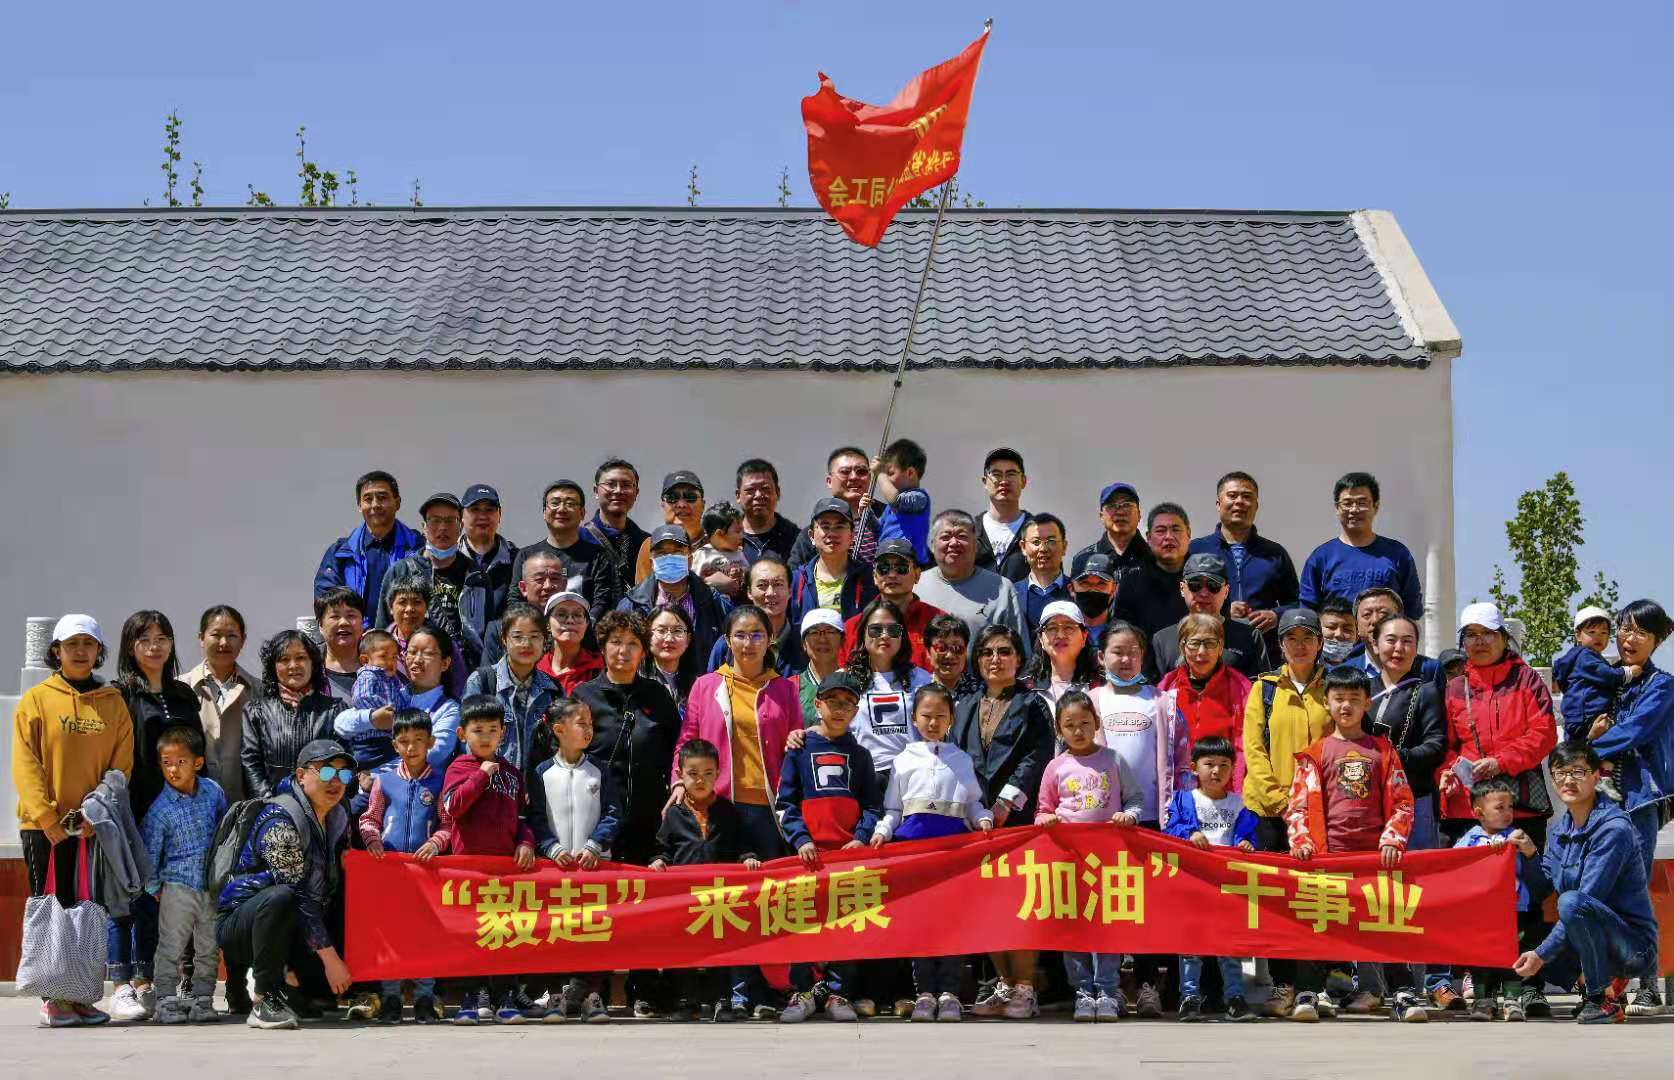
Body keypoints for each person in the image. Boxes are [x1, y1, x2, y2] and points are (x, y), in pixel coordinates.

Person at [13, 614, 131, 1029]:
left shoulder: (112, 702)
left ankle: (79, 995)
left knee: (86, 911)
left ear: (99, 651)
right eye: (71, 644)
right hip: (45, 828)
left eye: (88, 644)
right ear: (57, 651)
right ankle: (53, 998)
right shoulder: (37, 700)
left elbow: (121, 766)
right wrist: (48, 818)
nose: (80, 651)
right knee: (54, 909)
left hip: (91, 826)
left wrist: (99, 812)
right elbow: (26, 764)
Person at [1286, 667, 1414, 1022]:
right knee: (1318, 923)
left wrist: (1393, 838)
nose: (1346, 706)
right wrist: (1302, 841)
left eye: (1354, 699)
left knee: (1385, 924)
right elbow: (1297, 806)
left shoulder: (1383, 751)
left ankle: (1402, 992)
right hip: (1328, 857)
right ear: (1326, 703)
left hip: (1375, 859)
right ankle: (1308, 992)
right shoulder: (1314, 754)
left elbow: (1403, 801)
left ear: (1367, 703)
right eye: (1339, 699)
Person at [1512, 742, 1661, 1025]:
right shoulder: (1559, 831)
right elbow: (1543, 887)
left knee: (1570, 903)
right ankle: (1601, 988)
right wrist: (1531, 855)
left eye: (1578, 772)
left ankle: (1600, 999)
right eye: (1560, 773)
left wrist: (1541, 955)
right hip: (1591, 935)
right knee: (1523, 934)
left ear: (1595, 777)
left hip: (1633, 949)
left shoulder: (1614, 828)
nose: (1568, 780)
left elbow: (1587, 898)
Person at [872, 683, 993, 1022]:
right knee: (921, 923)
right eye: (926, 716)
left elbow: (972, 802)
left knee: (953, 922)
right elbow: (893, 808)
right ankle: (924, 992)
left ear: (951, 719)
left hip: (953, 854)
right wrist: (882, 831)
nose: (933, 722)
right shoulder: (903, 760)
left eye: (941, 716)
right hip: (914, 854)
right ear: (913, 718)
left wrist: (982, 819)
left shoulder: (961, 760)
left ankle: (950, 992)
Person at [216, 738, 356, 1031]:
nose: (336, 781)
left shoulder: (337, 816)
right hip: (243, 926)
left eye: (343, 774)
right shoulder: (279, 819)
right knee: (283, 895)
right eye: (326, 771)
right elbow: (298, 894)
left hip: (295, 925)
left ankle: (289, 987)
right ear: (301, 775)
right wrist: (331, 959)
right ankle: (263, 998)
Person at [956, 624, 1054, 1021]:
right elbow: (958, 758)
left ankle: (1026, 988)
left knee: (1021, 904)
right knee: (987, 907)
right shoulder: (965, 704)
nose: (994, 660)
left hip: (1018, 821)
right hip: (976, 822)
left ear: (1019, 658)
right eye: (986, 653)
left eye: (1004, 651)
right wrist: (972, 807)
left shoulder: (1033, 704)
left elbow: (1038, 756)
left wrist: (1006, 801)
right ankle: (1003, 983)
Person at [776, 671, 883, 1023]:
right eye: (832, 702)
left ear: (856, 711)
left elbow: (872, 805)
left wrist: (861, 837)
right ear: (817, 704)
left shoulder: (861, 755)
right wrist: (801, 838)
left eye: (847, 704)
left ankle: (839, 992)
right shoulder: (799, 748)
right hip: (808, 855)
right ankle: (803, 992)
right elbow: (785, 802)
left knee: (845, 924)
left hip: (846, 855)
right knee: (805, 921)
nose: (839, 710)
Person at [423, 697, 537, 1025]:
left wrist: (526, 841)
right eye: (478, 730)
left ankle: (505, 998)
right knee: (471, 933)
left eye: (492, 729)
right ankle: (470, 998)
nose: (485, 736)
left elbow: (522, 817)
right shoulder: (459, 768)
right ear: (462, 733)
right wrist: (481, 776)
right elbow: (452, 808)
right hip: (468, 867)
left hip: (505, 869)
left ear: (503, 732)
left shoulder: (512, 773)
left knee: (505, 932)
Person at [1587, 599, 1674, 1015]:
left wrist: (1585, 750)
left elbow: (1636, 731)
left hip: (1640, 799)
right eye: (1624, 628)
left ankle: (1649, 985)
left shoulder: (1662, 686)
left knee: (1637, 889)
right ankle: (1612, 985)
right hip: (1599, 801)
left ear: (1657, 641)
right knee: (1605, 890)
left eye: (1641, 632)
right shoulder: (1608, 681)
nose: (1629, 638)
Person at [1037, 691, 1140, 1023]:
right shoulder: (1056, 767)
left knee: (1108, 926)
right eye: (1069, 725)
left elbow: (1135, 799)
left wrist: (1130, 816)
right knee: (1074, 928)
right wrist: (1046, 820)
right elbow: (1043, 809)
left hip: (1109, 862)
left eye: (1084, 723)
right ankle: (1082, 991)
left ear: (1096, 722)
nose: (1078, 730)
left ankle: (1108, 991)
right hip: (1071, 862)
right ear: (1058, 729)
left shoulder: (1113, 760)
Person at [674, 604, 801, 861]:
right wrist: (678, 781)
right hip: (717, 803)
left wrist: (797, 737)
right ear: (727, 641)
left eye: (757, 635)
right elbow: (687, 740)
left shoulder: (785, 689)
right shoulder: (705, 686)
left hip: (769, 806)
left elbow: (796, 742)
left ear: (770, 639)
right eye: (740, 635)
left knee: (768, 881)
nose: (748, 643)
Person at [650, 739, 764, 1022]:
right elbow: (663, 847)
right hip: (683, 897)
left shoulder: (727, 811)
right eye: (693, 774)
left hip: (720, 898)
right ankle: (686, 1002)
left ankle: (721, 1001)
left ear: (718, 773)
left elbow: (741, 844)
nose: (700, 780)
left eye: (708, 773)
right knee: (683, 949)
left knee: (719, 949)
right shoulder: (673, 814)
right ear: (680, 774)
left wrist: (748, 858)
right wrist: (660, 860)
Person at [528, 699, 621, 1024]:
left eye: (590, 723)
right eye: (581, 723)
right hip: (556, 871)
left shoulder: (599, 770)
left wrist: (595, 845)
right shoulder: (542, 773)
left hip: (594, 869)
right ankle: (556, 994)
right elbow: (535, 818)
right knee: (555, 933)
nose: (589, 729)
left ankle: (591, 996)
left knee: (594, 932)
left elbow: (613, 813)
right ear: (559, 730)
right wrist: (551, 848)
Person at [1437, 603, 1558, 849]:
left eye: (1488, 632)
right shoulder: (1454, 688)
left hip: (1520, 808)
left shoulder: (1526, 679)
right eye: (1471, 634)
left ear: (1504, 638)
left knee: (1522, 873)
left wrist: (1500, 762)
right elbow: (1444, 744)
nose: (1479, 641)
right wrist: (1448, 773)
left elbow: (1544, 733)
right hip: (1468, 809)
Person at [574, 611, 682, 868]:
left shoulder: (657, 694)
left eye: (633, 643)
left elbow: (677, 746)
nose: (624, 650)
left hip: (649, 818)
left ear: (643, 651)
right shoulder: (583, 696)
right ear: (603, 647)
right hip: (595, 818)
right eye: (616, 642)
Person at [356, 709, 445, 1023]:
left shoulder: (440, 781)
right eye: (404, 741)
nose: (411, 747)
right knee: (390, 934)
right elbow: (369, 818)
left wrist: (435, 843)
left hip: (427, 873)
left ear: (431, 742)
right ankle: (391, 996)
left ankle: (424, 997)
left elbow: (447, 824)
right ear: (394, 745)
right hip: (390, 873)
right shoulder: (384, 781)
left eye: (419, 740)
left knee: (425, 935)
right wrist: (372, 840)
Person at [1164, 735, 1260, 1023]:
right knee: (1191, 945)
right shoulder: (1183, 799)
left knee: (1229, 946)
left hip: (1227, 887)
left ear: (1233, 769)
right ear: (1195, 768)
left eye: (1224, 765)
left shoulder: (1239, 804)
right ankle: (1189, 998)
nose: (1216, 771)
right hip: (1193, 884)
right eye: (1209, 764)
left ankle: (1234, 998)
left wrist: (1246, 843)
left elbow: (1249, 835)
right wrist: (1188, 833)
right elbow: (1169, 830)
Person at [141, 725, 227, 1025]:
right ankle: (166, 999)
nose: (173, 769)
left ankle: (203, 999)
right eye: (166, 763)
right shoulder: (160, 810)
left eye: (181, 761)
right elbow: (149, 854)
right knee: (171, 946)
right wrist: (155, 888)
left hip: (211, 886)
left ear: (198, 762)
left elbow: (224, 831)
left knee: (208, 946)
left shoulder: (213, 793)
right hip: (176, 887)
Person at [1451, 777, 1543, 1022]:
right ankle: (1484, 1001)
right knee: (1482, 958)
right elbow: (1455, 863)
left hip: (1514, 910)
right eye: (1499, 808)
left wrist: (1528, 851)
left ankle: (1512, 1001)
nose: (1507, 813)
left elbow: (1535, 873)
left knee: (1512, 957)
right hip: (1480, 913)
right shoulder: (1469, 840)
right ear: (1479, 813)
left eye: (1510, 807)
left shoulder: (1518, 837)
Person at [1087, 621, 1192, 831]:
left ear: (1142, 656)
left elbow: (1183, 762)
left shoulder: (1162, 702)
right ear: (1101, 657)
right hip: (1103, 817)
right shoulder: (1088, 703)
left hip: (1153, 816)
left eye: (1133, 653)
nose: (1126, 659)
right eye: (1118, 652)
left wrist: (1182, 814)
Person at [1186, 472, 1299, 647]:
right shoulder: (1195, 550)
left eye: (1247, 497)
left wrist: (1276, 615)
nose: (1239, 501)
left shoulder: (1275, 553)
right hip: (1206, 648)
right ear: (1218, 504)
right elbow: (1178, 599)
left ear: (1256, 506)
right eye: (1232, 495)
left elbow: (1297, 603)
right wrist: (1220, 610)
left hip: (1262, 649)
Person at [335, 624, 461, 774]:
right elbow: (341, 724)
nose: (417, 660)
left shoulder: (449, 709)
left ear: (445, 663)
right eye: (412, 652)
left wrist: (378, 775)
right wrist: (371, 719)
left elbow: (433, 754)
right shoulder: (392, 693)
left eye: (427, 654)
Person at [1298, 471, 1422, 619]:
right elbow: (1307, 612)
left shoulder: (1397, 554)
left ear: (1376, 507)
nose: (1354, 509)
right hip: (1339, 634)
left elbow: (1412, 609)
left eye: (1362, 503)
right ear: (1337, 508)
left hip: (1384, 635)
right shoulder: (1321, 557)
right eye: (1347, 503)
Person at [617, 522, 733, 674]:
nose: (670, 558)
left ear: (689, 560)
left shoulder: (715, 602)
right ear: (652, 563)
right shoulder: (631, 606)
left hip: (702, 685)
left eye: (677, 552)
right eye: (662, 553)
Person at [844, 598, 936, 789]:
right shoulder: (845, 680)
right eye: (875, 630)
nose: (884, 636)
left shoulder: (922, 679)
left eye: (893, 630)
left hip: (913, 778)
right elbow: (829, 728)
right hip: (863, 778)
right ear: (862, 634)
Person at [462, 604, 559, 780]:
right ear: (504, 639)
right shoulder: (483, 682)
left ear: (544, 640)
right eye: (517, 636)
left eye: (534, 636)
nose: (526, 644)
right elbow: (469, 744)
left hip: (540, 788)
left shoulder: (553, 689)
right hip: (492, 785)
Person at [313, 470, 421, 623]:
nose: (375, 505)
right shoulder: (340, 553)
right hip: (356, 635)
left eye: (382, 497)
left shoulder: (418, 547)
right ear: (359, 506)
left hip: (405, 635)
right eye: (368, 499)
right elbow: (325, 601)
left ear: (397, 503)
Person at [241, 631, 338, 800]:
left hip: (324, 807)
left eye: (301, 658)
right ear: (273, 666)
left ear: (313, 663)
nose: (293, 665)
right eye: (284, 659)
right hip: (273, 807)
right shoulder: (256, 711)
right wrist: (271, 804)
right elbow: (251, 763)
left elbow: (342, 763)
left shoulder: (334, 710)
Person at [1149, 552, 1270, 681]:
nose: (1204, 593)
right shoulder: (1162, 640)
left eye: (1213, 586)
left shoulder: (1249, 636)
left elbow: (1262, 688)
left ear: (1226, 591)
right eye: (1195, 585)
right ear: (1182, 588)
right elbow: (1155, 690)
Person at [181, 604, 258, 804]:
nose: (224, 643)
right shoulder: (180, 688)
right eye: (216, 635)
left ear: (243, 640)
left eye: (232, 635)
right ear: (201, 638)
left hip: (243, 805)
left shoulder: (259, 691)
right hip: (192, 805)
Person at [914, 510, 1027, 645]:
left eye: (962, 536)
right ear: (932, 545)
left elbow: (1020, 649)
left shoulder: (1002, 589)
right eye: (946, 537)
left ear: (975, 545)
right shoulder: (915, 585)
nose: (954, 543)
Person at [377, 492, 469, 648]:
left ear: (460, 527)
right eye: (435, 520)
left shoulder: (475, 575)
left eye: (450, 521)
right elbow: (382, 631)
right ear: (424, 527)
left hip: (462, 660)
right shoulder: (400, 571)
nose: (442, 527)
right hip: (411, 659)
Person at [511, 480, 614, 619]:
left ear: (582, 513)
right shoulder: (526, 555)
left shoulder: (599, 556)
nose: (561, 509)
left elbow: (603, 601)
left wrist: (582, 624)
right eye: (555, 503)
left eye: (570, 504)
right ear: (544, 512)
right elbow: (515, 600)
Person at [839, 539, 942, 669]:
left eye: (901, 568)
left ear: (917, 575)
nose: (892, 575)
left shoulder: (939, 624)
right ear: (874, 577)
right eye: (883, 568)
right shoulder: (852, 628)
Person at [1159, 614, 1252, 752]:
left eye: (1210, 643)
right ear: (1182, 647)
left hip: (1223, 765)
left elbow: (1245, 744)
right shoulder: (1167, 687)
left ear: (1220, 647)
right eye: (1194, 643)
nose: (1201, 652)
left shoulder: (1240, 688)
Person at [707, 554, 806, 676]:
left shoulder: (805, 642)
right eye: (762, 585)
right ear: (749, 592)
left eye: (778, 584)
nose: (770, 593)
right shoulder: (728, 644)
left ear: (790, 591)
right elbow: (711, 684)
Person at [788, 446, 883, 572]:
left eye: (861, 471)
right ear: (829, 481)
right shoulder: (814, 532)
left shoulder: (889, 516)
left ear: (870, 477)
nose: (854, 477)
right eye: (845, 472)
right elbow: (794, 575)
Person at [1552, 604, 1634, 747]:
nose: (1598, 636)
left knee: (1574, 750)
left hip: (1576, 716)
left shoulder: (1577, 657)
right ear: (1578, 635)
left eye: (1604, 632)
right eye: (1592, 632)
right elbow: (1606, 675)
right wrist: (1628, 672)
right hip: (1587, 715)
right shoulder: (1586, 656)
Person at [787, 496, 877, 627]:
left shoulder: (869, 579)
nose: (832, 533)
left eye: (839, 526)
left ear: (852, 535)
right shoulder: (797, 581)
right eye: (825, 526)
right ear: (811, 536)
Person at [1110, 503, 1193, 638]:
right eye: (1161, 531)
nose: (1169, 536)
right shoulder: (1132, 580)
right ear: (1148, 537)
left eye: (1176, 530)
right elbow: (1122, 631)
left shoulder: (1202, 578)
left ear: (1188, 534)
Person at [480, 549, 570, 668]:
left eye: (554, 579)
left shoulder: (574, 627)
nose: (548, 586)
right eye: (539, 579)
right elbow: (487, 675)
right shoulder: (499, 629)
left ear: (564, 585)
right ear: (523, 588)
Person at [583, 458, 650, 607]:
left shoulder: (647, 544)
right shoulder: (578, 540)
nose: (618, 490)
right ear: (596, 491)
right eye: (610, 484)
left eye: (626, 485)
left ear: (636, 492)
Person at [383, 580, 468, 699]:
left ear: (426, 607)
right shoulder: (378, 644)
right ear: (391, 608)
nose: (409, 609)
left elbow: (459, 686)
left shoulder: (442, 641)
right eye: (402, 602)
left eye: (417, 602)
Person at [459, 483, 519, 646]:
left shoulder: (517, 560)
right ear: (461, 515)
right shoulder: (447, 559)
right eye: (475, 509)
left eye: (489, 510)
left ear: (500, 515)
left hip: (503, 650)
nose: (483, 516)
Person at [1070, 481, 1153, 583]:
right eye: (1111, 506)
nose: (1120, 512)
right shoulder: (1084, 559)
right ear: (1101, 516)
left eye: (1127, 505)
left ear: (1139, 515)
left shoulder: (1158, 559)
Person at [633, 471, 707, 584]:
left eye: (690, 497)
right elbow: (642, 593)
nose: (681, 504)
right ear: (663, 506)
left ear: (703, 505)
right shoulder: (650, 546)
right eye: (672, 498)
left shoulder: (720, 541)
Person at [1025, 600, 1102, 709]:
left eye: (1068, 627)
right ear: (1041, 639)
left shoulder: (1101, 685)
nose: (1060, 635)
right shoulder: (1025, 688)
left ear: (1084, 637)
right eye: (1052, 628)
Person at [973, 447, 1034, 581]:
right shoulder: (969, 531)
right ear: (985, 481)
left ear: (1023, 481)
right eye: (996, 474)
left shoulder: (1038, 531)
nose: (1004, 481)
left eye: (1011, 474)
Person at [870, 437, 933, 566]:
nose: (886, 479)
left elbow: (897, 500)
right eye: (885, 474)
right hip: (887, 560)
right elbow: (879, 531)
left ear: (910, 473)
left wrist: (880, 474)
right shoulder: (890, 507)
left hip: (911, 563)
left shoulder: (919, 497)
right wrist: (868, 514)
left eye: (890, 473)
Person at [734, 458, 803, 563]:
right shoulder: (724, 538)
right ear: (738, 496)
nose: (758, 495)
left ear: (777, 492)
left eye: (765, 489)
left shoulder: (796, 539)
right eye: (750, 490)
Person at [1015, 513, 1072, 635]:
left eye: (1051, 541)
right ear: (1023, 547)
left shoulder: (1076, 591)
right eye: (1036, 542)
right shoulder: (1011, 594)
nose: (1043, 549)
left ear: (1064, 546)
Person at [538, 592, 602, 693]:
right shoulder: (534, 669)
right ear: (547, 624)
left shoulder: (600, 669)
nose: (570, 620)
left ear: (586, 624)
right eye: (561, 615)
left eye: (577, 615)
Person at [313, 587, 367, 702]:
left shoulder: (381, 664)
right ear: (320, 624)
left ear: (362, 622)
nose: (344, 622)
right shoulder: (309, 667)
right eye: (335, 616)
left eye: (351, 616)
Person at [793, 609, 846, 725]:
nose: (822, 639)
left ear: (842, 640)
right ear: (803, 643)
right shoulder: (789, 688)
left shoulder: (856, 683)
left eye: (830, 632)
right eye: (814, 632)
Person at [645, 605, 699, 712]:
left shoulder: (698, 685)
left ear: (688, 639)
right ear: (648, 636)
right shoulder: (634, 681)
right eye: (661, 630)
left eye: (677, 630)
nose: (669, 638)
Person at [690, 500, 749, 599]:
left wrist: (741, 573)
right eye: (738, 531)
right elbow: (693, 581)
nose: (742, 536)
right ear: (719, 534)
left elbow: (749, 574)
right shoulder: (703, 555)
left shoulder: (739, 553)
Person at [923, 613, 978, 697]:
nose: (949, 655)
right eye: (941, 647)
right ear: (928, 652)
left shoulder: (982, 692)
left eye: (957, 648)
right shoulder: (916, 691)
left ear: (966, 651)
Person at [1069, 553, 1118, 648]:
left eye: (1101, 584)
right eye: (1085, 583)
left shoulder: (1125, 633)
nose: (1093, 590)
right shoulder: (1062, 633)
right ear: (1071, 589)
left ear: (1113, 589)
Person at [1317, 595, 1360, 669]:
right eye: (1331, 627)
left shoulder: (1363, 669)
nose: (1339, 634)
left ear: (1357, 637)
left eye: (1347, 629)